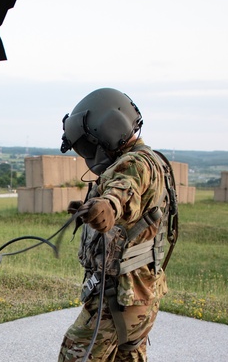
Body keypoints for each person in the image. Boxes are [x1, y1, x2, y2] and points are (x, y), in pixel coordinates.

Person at [57, 87, 178, 362]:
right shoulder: (154, 160)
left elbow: (122, 193)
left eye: (90, 144)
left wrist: (106, 207)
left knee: (75, 354)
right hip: (142, 294)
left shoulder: (133, 164)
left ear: (110, 129)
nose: (89, 153)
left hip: (118, 299)